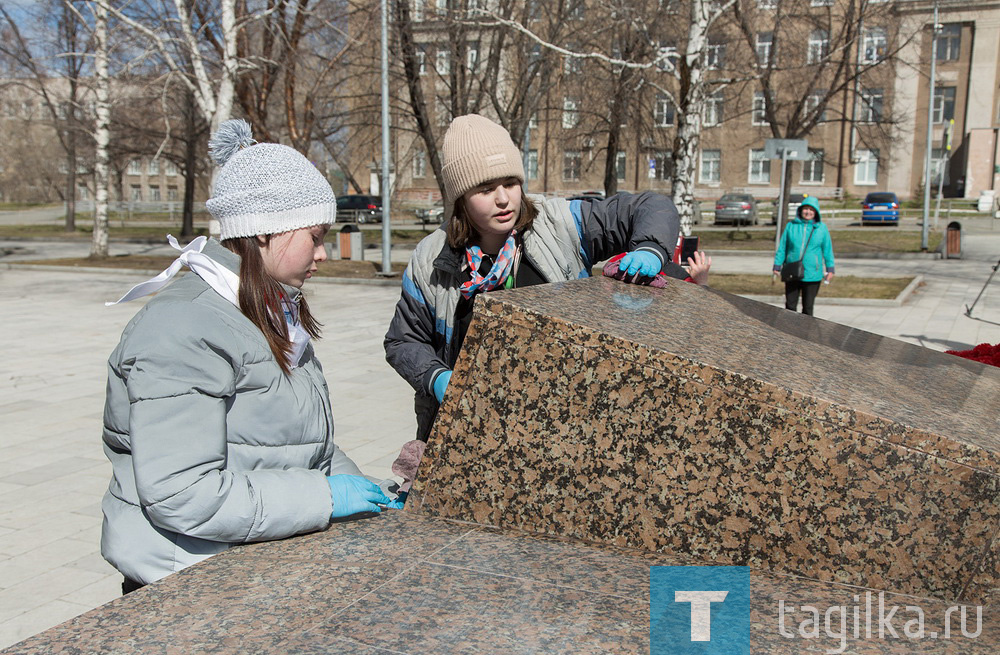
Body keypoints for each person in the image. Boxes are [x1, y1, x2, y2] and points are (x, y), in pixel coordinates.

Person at [102, 119, 398, 593]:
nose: (323, 254)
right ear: (263, 231)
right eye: (315, 235)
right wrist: (324, 496)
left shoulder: (267, 308)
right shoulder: (184, 330)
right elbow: (182, 494)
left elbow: (296, 445)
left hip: (248, 556)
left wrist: (362, 491)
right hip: (184, 576)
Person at [384, 114, 711, 441]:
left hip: (566, 423)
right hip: (474, 429)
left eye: (510, 183)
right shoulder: (429, 257)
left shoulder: (560, 223)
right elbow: (404, 340)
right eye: (485, 189)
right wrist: (437, 377)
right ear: (461, 198)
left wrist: (651, 249)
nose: (503, 199)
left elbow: (652, 207)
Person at [772, 195, 835, 316]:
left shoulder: (821, 228)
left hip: (812, 274)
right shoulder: (791, 226)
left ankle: (805, 333)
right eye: (806, 209)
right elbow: (783, 247)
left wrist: (830, 268)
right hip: (792, 271)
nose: (808, 212)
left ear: (816, 212)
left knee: (808, 308)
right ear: (800, 210)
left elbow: (827, 249)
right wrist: (777, 265)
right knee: (790, 306)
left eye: (811, 210)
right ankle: (789, 330)